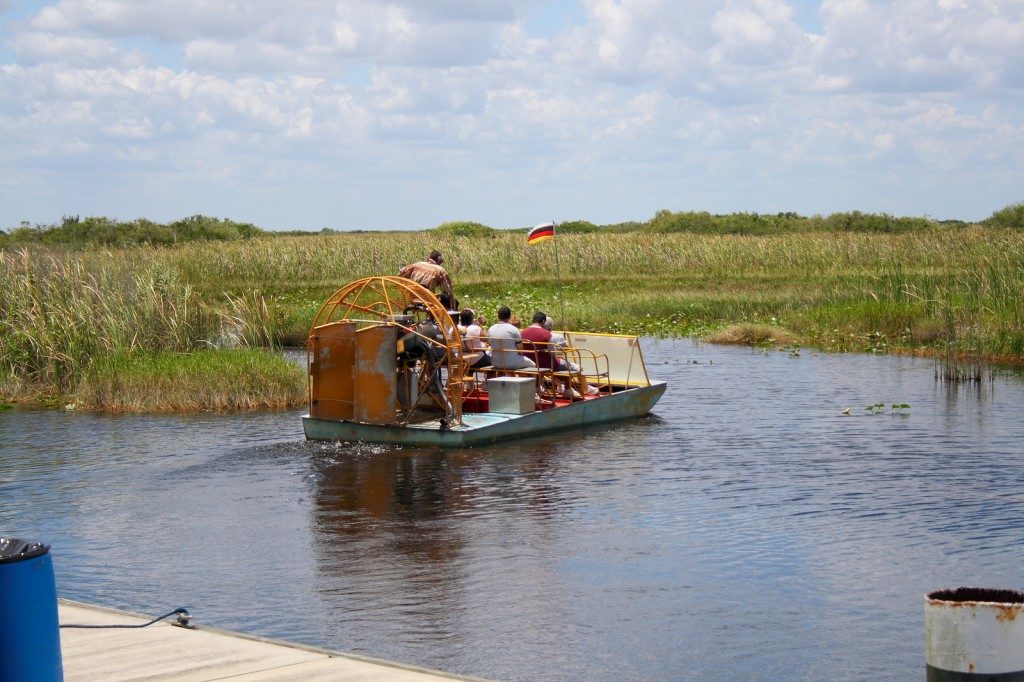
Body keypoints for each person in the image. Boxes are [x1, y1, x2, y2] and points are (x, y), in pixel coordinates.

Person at [487, 306, 535, 370]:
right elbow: (521, 351)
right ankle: (529, 380)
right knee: (533, 365)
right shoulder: (514, 329)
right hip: (512, 363)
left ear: (498, 316)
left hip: (495, 362)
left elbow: (490, 344)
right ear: (509, 317)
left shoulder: (491, 329)